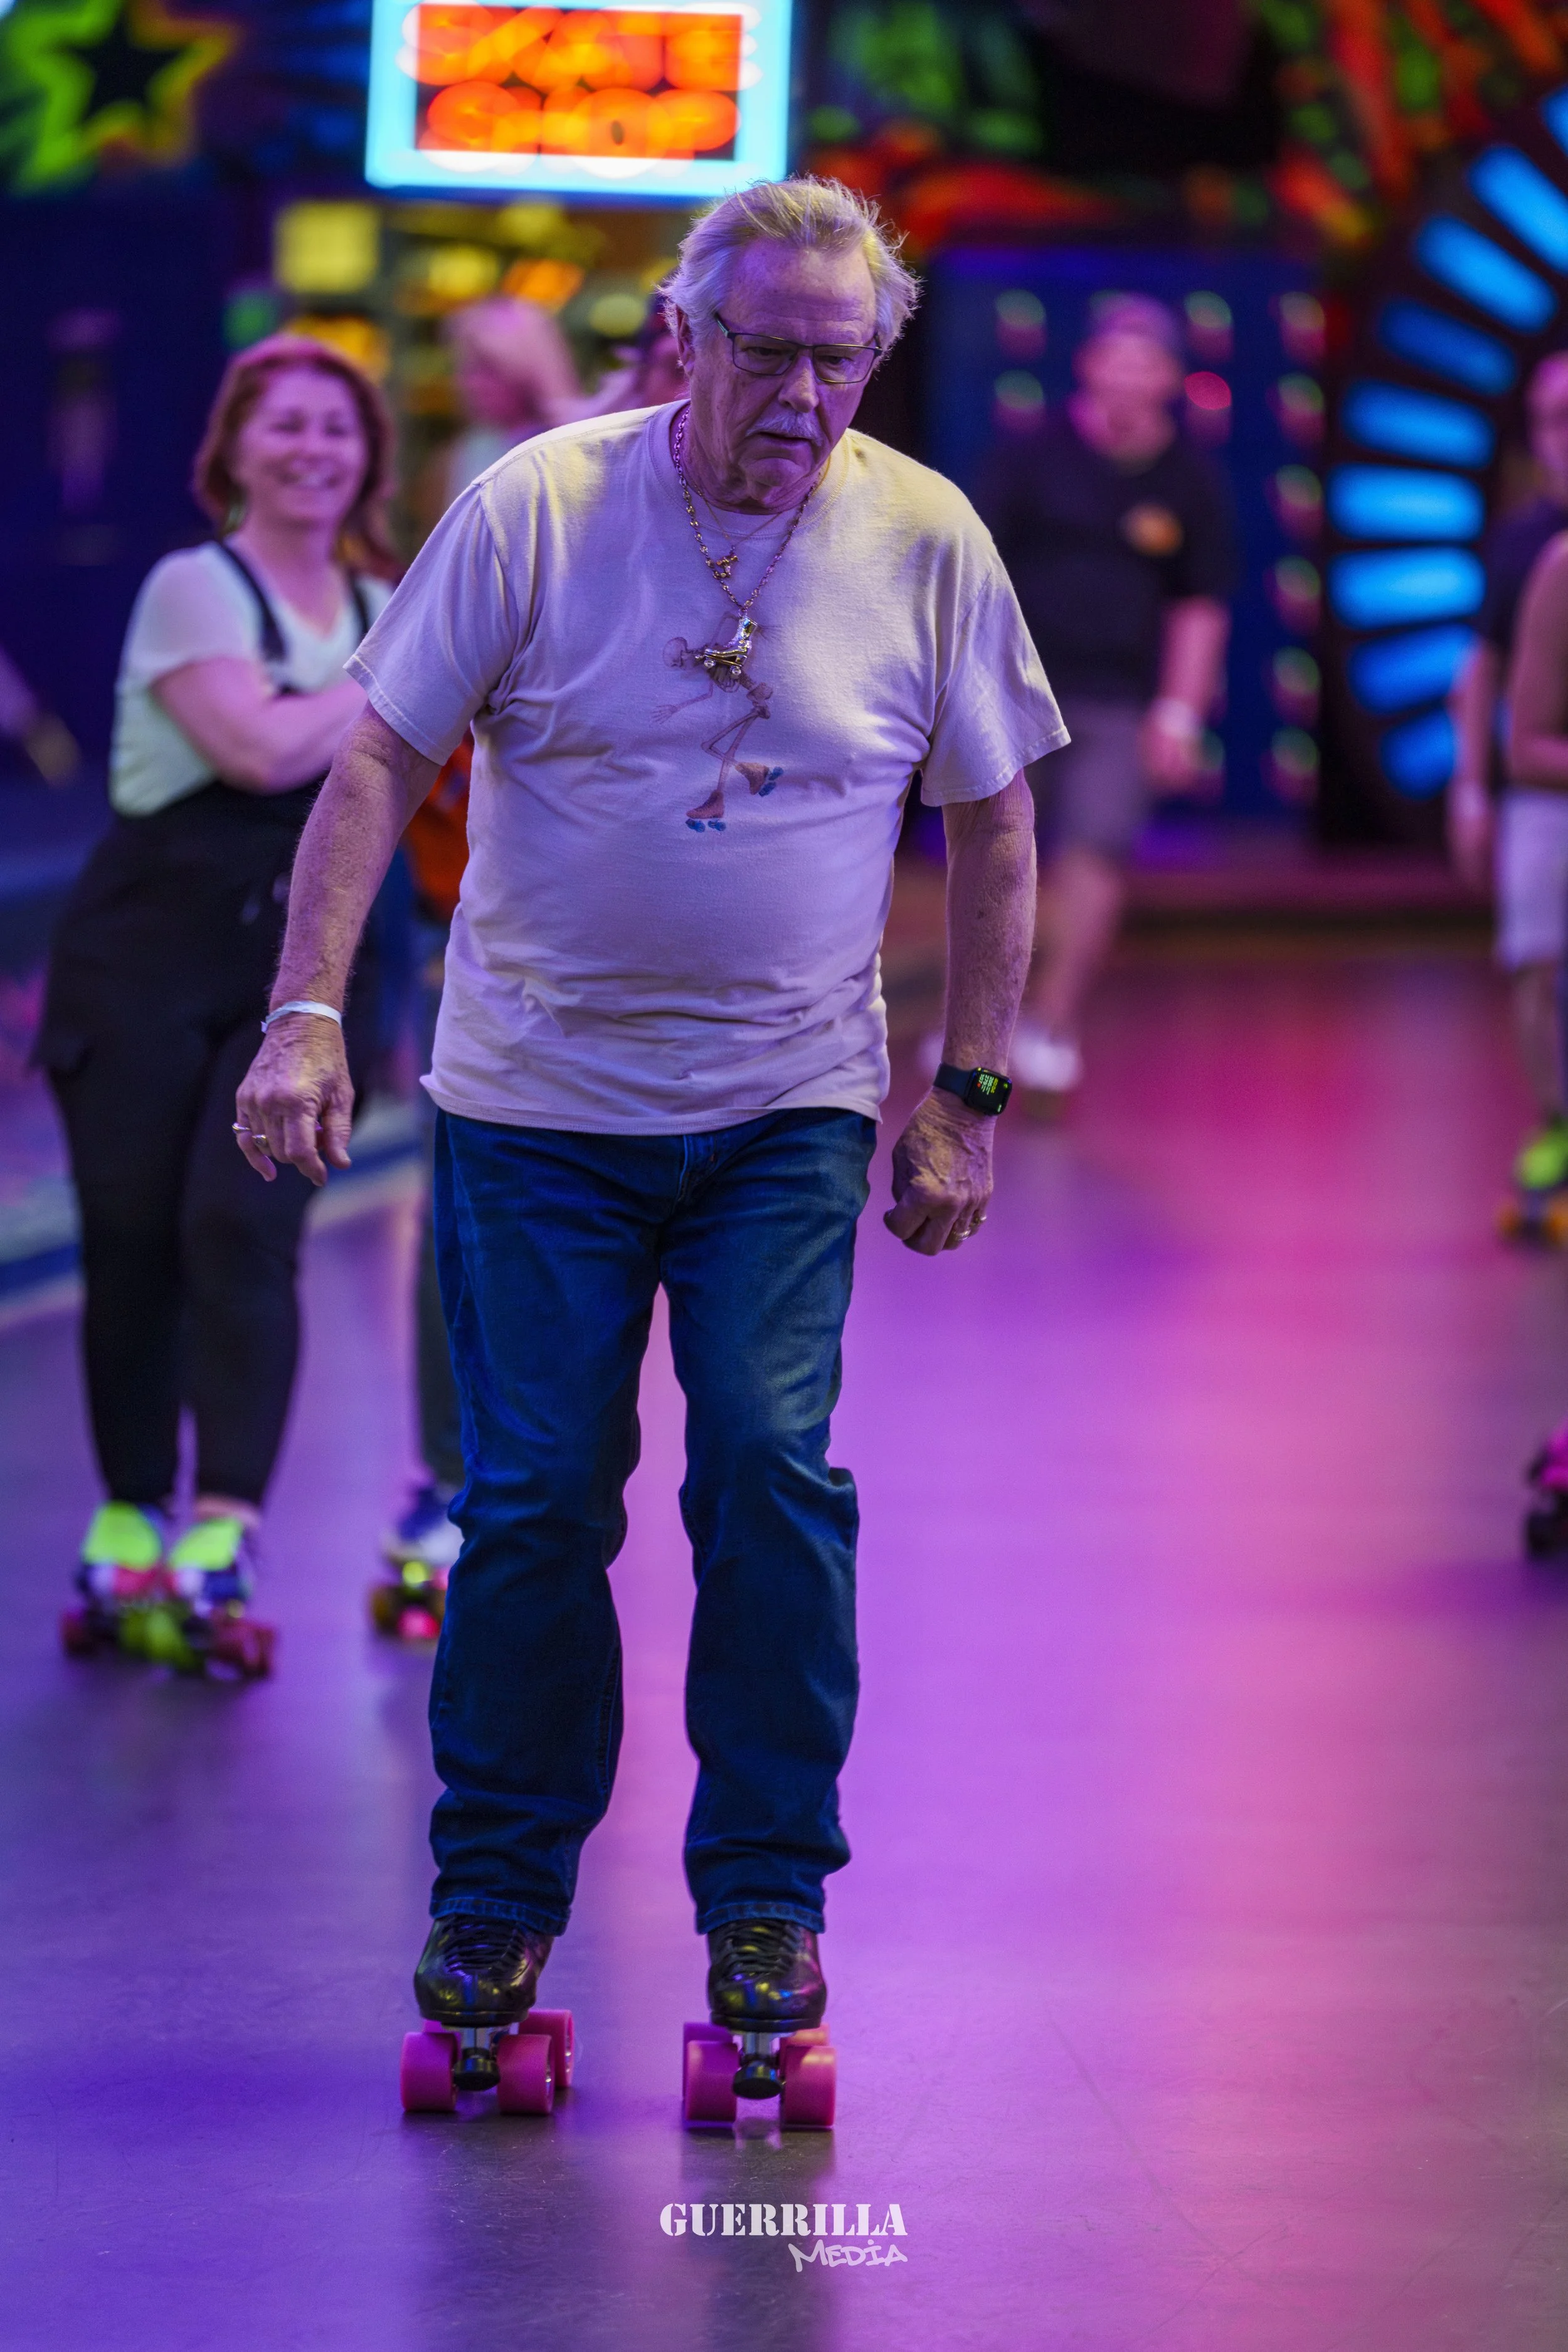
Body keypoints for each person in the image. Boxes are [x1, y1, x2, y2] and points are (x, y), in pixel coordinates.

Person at [234, 177, 1061, 2052]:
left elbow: (994, 816)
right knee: (530, 1499)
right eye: (760, 347)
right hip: (533, 1105)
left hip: (786, 1109)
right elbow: (375, 760)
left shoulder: (921, 537)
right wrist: (302, 1015)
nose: (795, 392)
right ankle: (497, 1902)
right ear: (681, 334)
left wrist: (969, 1088)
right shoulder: (537, 505)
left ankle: (765, 1900)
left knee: (769, 1477)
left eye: (833, 359)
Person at [38, 336, 394, 1636]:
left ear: (367, 458)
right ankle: (132, 1504)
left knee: (244, 1231)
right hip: (140, 958)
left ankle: (225, 1526)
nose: (312, 449)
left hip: (289, 970)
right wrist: (389, 676)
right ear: (233, 448)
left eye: (337, 428)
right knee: (134, 1239)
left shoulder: (378, 606)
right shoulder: (196, 587)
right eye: (285, 424)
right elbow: (251, 751)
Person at [380, 297, 583, 1604]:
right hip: (482, 900)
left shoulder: (614, 440)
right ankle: (452, 1478)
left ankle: (533, 1483)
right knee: (464, 1186)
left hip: (616, 928)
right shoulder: (481, 477)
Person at [971, 293, 1236, 1100]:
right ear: (1087, 367)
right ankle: (981, 1032)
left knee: (1096, 854)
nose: (1126, 379)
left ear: (1169, 378)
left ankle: (1050, 1023)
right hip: (1016, 693)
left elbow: (1199, 605)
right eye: (1113, 361)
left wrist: (1180, 714)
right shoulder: (1030, 456)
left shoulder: (1190, 481)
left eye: (1145, 363)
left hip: (1119, 700)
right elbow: (975, 573)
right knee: (999, 855)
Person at [1448, 350, 1568, 1199]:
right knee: (1537, 965)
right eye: (1552, 421)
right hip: (1544, 796)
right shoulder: (1527, 545)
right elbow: (1481, 676)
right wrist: (1470, 788)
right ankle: (1556, 1124)